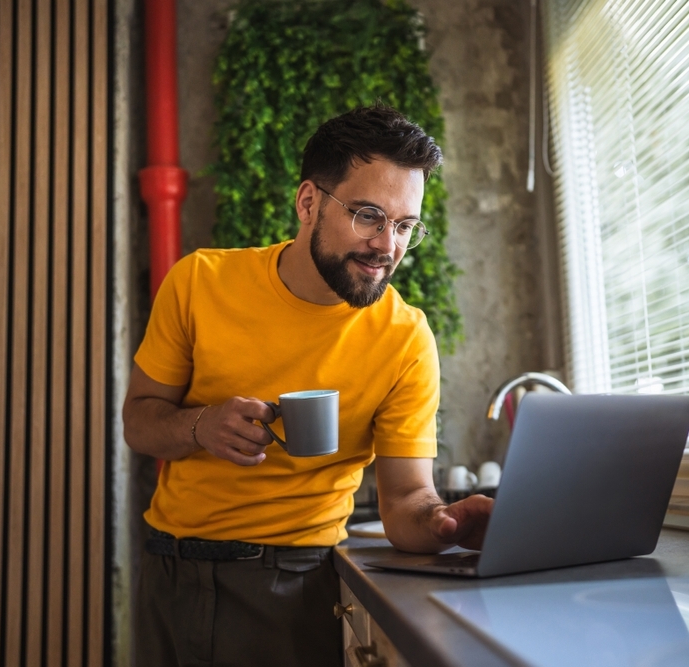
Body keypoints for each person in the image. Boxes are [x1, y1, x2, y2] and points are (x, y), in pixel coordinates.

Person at [123, 104, 494, 667]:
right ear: (308, 203)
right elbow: (139, 422)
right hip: (167, 571)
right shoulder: (199, 282)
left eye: (403, 226)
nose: (386, 245)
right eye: (369, 215)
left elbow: (404, 499)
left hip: (296, 584)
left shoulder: (405, 338)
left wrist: (444, 522)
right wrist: (201, 425)